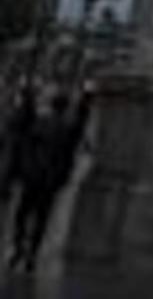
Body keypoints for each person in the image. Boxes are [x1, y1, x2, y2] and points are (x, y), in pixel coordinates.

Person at [6, 85, 90, 274]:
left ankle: (18, 248)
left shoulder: (39, 123)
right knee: (41, 219)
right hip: (50, 182)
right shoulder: (67, 129)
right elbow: (80, 124)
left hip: (33, 178)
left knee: (22, 214)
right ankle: (32, 254)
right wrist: (86, 98)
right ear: (65, 107)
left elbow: (23, 124)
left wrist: (28, 94)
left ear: (52, 105)